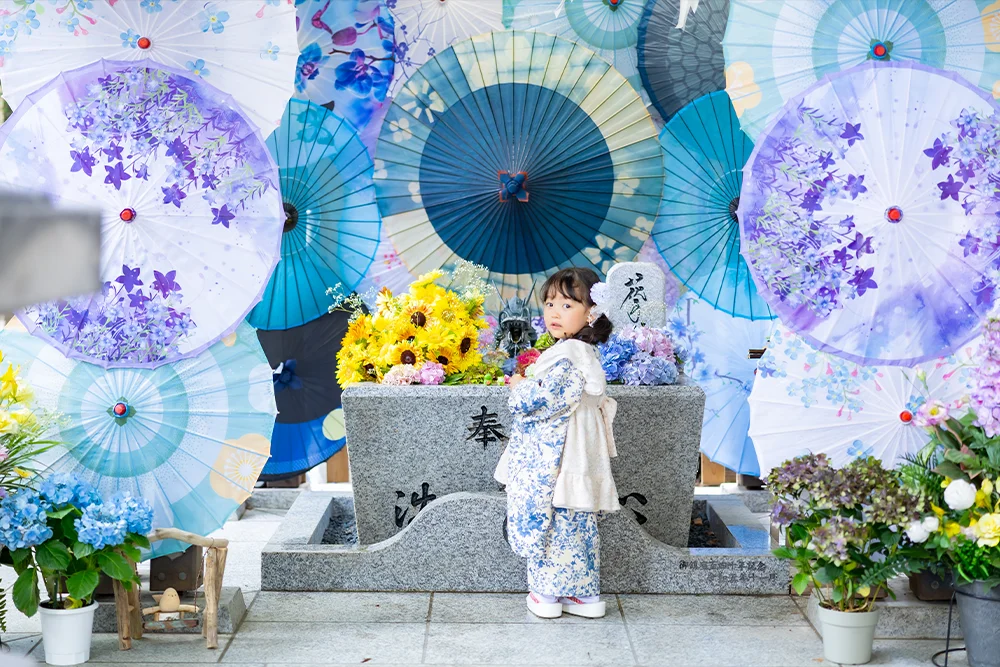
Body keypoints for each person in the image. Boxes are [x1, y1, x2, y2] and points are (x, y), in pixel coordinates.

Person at [494, 267, 619, 619]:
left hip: (559, 458)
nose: (554, 312)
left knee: (550, 520)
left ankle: (546, 594)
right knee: (578, 522)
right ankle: (583, 595)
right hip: (578, 453)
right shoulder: (582, 352)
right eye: (550, 303)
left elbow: (544, 401)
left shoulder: (569, 356)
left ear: (591, 312)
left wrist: (520, 387)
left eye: (567, 305)